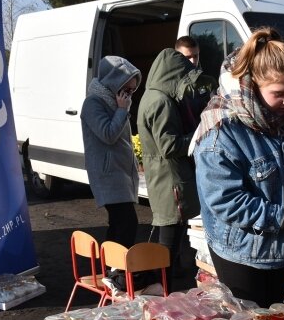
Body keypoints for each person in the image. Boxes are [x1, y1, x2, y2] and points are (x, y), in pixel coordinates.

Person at [193, 27, 284, 307]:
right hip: (241, 250)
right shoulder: (222, 129)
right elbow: (226, 201)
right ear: (252, 85)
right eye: (279, 93)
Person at [137, 48, 206, 285]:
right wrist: (197, 135)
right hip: (170, 179)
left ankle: (162, 283)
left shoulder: (151, 96)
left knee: (166, 234)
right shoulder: (161, 101)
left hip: (163, 177)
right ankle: (162, 287)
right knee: (168, 239)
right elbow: (169, 145)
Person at [80, 56, 142, 248]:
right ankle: (116, 269)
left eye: (132, 91)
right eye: (126, 89)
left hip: (120, 173)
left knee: (119, 224)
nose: (129, 95)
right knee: (127, 224)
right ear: (114, 83)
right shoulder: (93, 103)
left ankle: (112, 270)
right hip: (108, 175)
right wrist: (122, 110)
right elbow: (107, 134)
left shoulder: (115, 102)